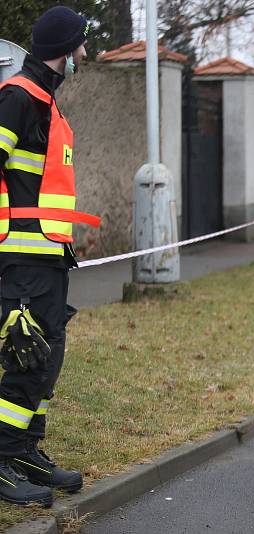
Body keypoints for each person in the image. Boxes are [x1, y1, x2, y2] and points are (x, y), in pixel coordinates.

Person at [0, 6, 100, 506]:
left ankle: (24, 450)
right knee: (25, 355)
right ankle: (1, 458)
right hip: (18, 259)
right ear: (66, 49)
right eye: (81, 43)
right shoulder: (18, 97)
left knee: (47, 354)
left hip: (47, 257)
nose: (85, 51)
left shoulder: (45, 101)